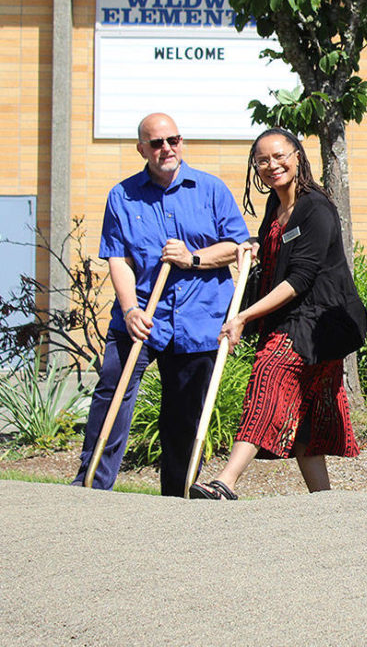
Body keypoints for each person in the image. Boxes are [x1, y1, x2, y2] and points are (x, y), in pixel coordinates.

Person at [74, 113, 249, 496]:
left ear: (182, 142)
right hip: (140, 314)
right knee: (112, 393)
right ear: (142, 149)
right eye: (156, 143)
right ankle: (91, 486)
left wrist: (192, 258)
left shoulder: (211, 190)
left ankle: (177, 496)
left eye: (173, 140)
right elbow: (117, 257)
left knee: (184, 413)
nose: (166, 148)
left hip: (198, 317)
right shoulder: (122, 195)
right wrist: (130, 309)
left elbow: (239, 247)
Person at [189, 128, 367, 499]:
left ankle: (226, 481)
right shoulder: (276, 206)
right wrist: (254, 247)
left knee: (267, 377)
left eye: (280, 156)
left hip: (320, 323)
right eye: (263, 160)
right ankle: (326, 501)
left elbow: (299, 279)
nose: (272, 165)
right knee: (307, 423)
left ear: (298, 156)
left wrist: (242, 317)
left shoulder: (315, 208)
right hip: (292, 318)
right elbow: (277, 260)